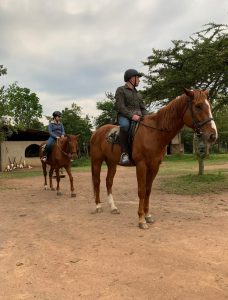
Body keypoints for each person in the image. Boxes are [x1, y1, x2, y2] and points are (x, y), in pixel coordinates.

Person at [115, 69, 148, 165]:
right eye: (137, 77)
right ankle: (124, 154)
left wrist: (149, 117)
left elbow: (143, 108)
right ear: (130, 78)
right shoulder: (120, 90)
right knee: (125, 126)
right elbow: (120, 107)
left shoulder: (138, 94)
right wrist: (132, 116)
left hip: (139, 116)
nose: (139, 80)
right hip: (124, 116)